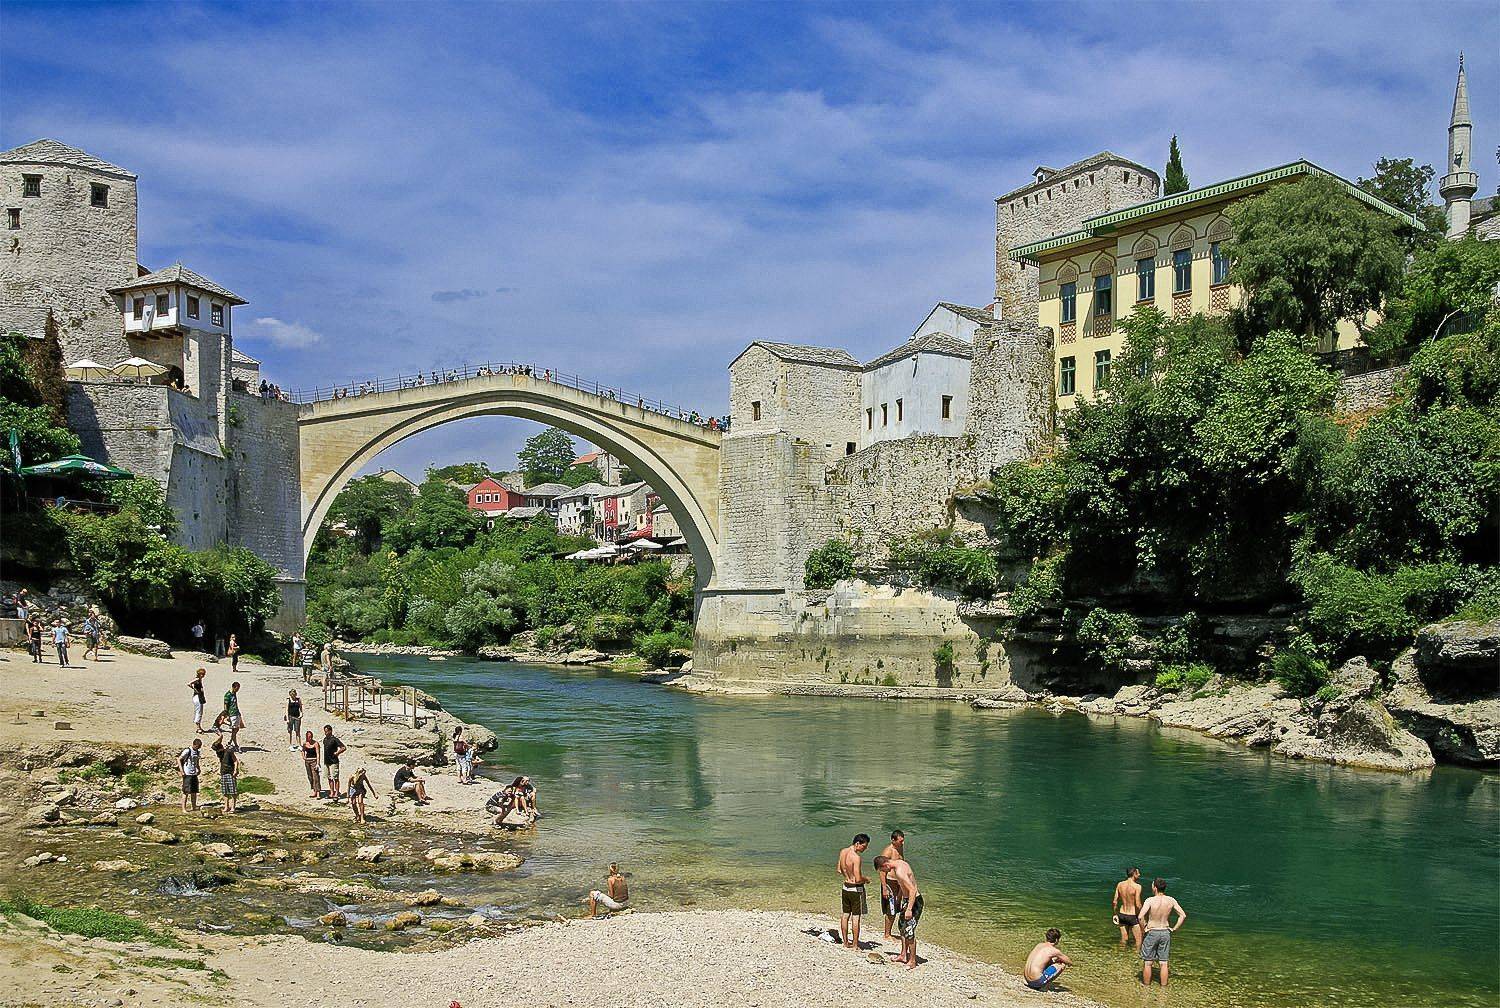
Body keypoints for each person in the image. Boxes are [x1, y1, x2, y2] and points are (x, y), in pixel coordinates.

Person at [874, 854, 923, 970]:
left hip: (914, 902)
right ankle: (903, 955)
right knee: (902, 927)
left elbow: (912, 890)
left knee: (909, 931)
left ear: (885, 865)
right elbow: (903, 886)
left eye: (882, 870)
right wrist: (901, 900)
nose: (884, 872)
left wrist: (909, 909)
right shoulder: (899, 863)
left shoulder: (900, 871)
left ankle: (912, 961)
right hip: (907, 900)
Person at [1139, 878, 1187, 987]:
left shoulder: (1150, 900)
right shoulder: (1171, 900)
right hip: (1165, 931)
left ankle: (1146, 987)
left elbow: (1140, 917)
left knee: (1148, 962)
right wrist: (1174, 928)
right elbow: (1183, 915)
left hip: (1152, 931)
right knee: (1163, 962)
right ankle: (1163, 989)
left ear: (1155, 888)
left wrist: (1144, 929)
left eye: (1152, 885)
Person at [837, 834, 870, 950]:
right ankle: (855, 945)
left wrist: (848, 876)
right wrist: (866, 879)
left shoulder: (843, 852)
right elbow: (858, 879)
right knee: (856, 917)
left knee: (845, 914)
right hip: (855, 889)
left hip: (845, 887)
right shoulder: (856, 857)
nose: (865, 849)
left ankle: (845, 942)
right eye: (864, 846)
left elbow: (839, 870)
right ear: (857, 843)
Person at [879, 829, 906, 940]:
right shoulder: (888, 852)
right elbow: (882, 871)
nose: (902, 843)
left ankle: (891, 932)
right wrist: (884, 887)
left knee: (897, 906)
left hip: (899, 881)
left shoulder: (900, 848)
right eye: (900, 841)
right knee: (891, 908)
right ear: (893, 840)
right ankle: (887, 934)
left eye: (903, 840)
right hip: (890, 882)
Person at [1113, 867, 1144, 948]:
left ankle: (1120, 953)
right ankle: (1135, 955)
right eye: (1138, 873)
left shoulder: (1120, 884)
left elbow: (1115, 901)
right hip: (1132, 916)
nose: (1139, 874)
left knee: (1124, 939)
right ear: (1134, 874)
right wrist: (1142, 915)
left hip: (1122, 914)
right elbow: (1138, 904)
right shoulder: (1137, 886)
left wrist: (1115, 914)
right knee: (1139, 940)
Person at [211, 737, 238, 813]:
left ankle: (233, 807)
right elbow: (214, 745)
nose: (217, 752)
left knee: (232, 791)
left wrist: (235, 770)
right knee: (225, 791)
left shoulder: (229, 751)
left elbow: (235, 761)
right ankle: (226, 807)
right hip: (223, 773)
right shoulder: (219, 753)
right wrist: (220, 737)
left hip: (230, 773)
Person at [321, 724, 346, 798]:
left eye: (326, 731)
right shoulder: (325, 739)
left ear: (330, 731)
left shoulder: (334, 739)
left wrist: (337, 753)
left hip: (334, 761)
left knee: (335, 778)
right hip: (326, 761)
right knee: (329, 777)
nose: (325, 733)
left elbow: (343, 747)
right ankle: (332, 792)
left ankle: (337, 793)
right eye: (325, 731)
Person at [179, 738, 202, 812]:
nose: (198, 748)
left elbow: (197, 761)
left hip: (194, 773)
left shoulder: (197, 752)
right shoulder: (187, 751)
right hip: (187, 773)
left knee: (194, 791)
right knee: (186, 792)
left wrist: (198, 768)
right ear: (194, 745)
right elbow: (179, 759)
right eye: (197, 746)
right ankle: (184, 808)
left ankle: (194, 807)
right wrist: (181, 771)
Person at [223, 681, 245, 750]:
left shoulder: (234, 694)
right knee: (234, 730)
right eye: (236, 689)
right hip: (232, 714)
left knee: (236, 729)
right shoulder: (228, 695)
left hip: (236, 712)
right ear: (233, 687)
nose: (237, 690)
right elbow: (225, 705)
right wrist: (227, 715)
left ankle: (230, 742)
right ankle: (236, 745)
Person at [300, 730, 323, 798]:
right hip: (307, 761)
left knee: (316, 776)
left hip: (314, 761)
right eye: (308, 737)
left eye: (310, 737)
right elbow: (303, 750)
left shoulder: (315, 743)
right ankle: (314, 791)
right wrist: (303, 757)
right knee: (310, 776)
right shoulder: (305, 743)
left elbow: (318, 753)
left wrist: (318, 763)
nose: (309, 738)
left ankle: (318, 792)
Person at [190, 668, 208, 733]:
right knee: (199, 711)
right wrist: (194, 689)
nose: (203, 675)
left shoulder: (199, 679)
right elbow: (189, 683)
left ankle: (199, 727)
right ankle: (198, 727)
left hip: (199, 696)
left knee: (200, 711)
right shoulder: (197, 679)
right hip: (197, 697)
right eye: (202, 674)